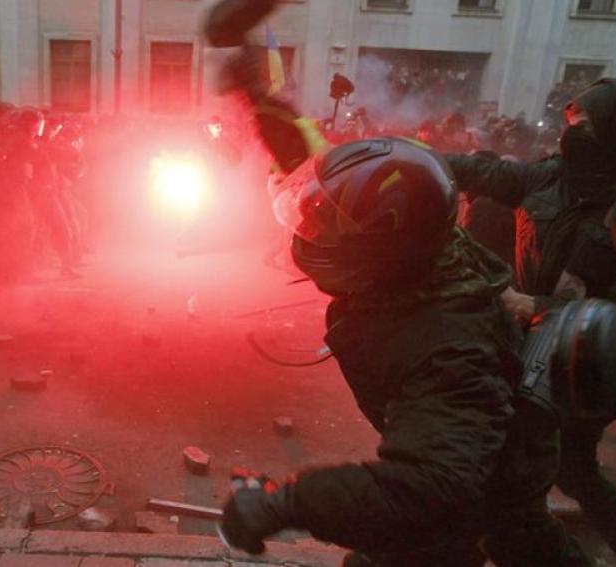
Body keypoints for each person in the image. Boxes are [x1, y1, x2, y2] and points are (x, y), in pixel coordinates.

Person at [207, 7, 589, 563]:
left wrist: (286, 502)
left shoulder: (448, 347)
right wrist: (253, 88)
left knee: (508, 539)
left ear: (375, 248)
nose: (312, 232)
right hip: (475, 466)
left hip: (482, 494)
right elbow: (317, 172)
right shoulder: (422, 253)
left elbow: (431, 487)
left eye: (327, 225)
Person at [445, 77, 616, 567]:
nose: (572, 132)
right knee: (560, 472)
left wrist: (532, 305)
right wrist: (399, 159)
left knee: (514, 471)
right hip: (528, 349)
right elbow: (478, 171)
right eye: (572, 120)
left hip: (582, 369)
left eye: (589, 125)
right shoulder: (548, 179)